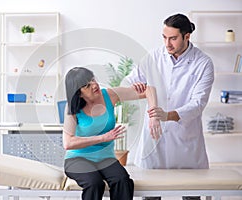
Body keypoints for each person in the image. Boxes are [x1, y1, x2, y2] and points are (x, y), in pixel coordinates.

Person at [125, 13, 214, 200]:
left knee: (191, 194)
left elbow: (198, 104)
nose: (167, 44)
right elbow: (128, 83)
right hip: (154, 138)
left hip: (185, 140)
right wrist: (136, 87)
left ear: (187, 36)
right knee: (150, 194)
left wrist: (167, 115)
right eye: (164, 37)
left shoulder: (203, 63)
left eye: (173, 38)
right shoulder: (154, 57)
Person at [63, 67, 161, 200]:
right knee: (94, 183)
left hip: (105, 159)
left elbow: (150, 90)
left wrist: (154, 116)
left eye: (92, 79)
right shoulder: (71, 108)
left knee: (123, 180)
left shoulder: (109, 95)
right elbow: (68, 143)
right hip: (77, 160)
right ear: (79, 93)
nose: (94, 85)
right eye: (87, 85)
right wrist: (102, 138)